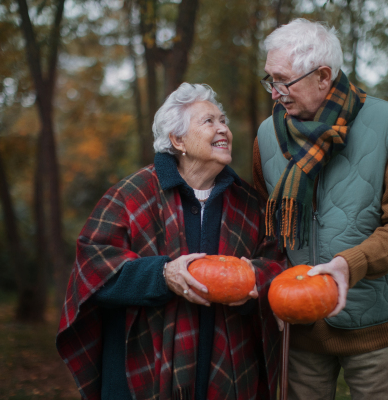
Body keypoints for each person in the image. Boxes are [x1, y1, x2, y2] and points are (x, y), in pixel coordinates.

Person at [57, 83, 286, 400]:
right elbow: (93, 271)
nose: (223, 129)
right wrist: (162, 275)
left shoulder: (248, 201)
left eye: (224, 121)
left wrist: (254, 279)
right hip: (145, 366)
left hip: (229, 370)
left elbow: (276, 266)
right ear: (178, 140)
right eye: (209, 122)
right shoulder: (133, 194)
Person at [252, 19, 388, 399]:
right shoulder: (266, 136)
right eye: (269, 80)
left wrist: (351, 263)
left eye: (282, 81)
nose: (274, 93)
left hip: (373, 325)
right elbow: (261, 228)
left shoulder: (387, 125)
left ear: (323, 76)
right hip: (298, 326)